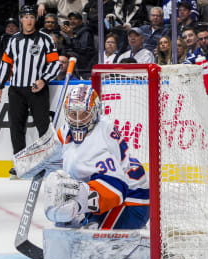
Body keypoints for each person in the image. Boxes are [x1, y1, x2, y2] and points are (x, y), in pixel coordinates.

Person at [42, 85, 149, 229]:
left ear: (95, 112)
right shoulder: (69, 129)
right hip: (126, 194)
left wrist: (80, 201)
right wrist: (33, 161)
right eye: (73, 114)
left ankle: (115, 230)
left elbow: (116, 190)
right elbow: (55, 149)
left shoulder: (98, 143)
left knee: (67, 193)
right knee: (60, 186)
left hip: (132, 202)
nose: (78, 120)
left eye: (84, 114)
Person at [0, 5, 60, 178]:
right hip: (16, 90)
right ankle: (20, 165)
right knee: (16, 128)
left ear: (35, 19)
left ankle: (47, 164)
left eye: (31, 17)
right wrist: (1, 86)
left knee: (43, 128)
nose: (29, 20)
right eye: (25, 17)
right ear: (21, 19)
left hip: (37, 90)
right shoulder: (13, 40)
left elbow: (54, 64)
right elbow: (6, 64)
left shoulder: (45, 39)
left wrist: (43, 80)